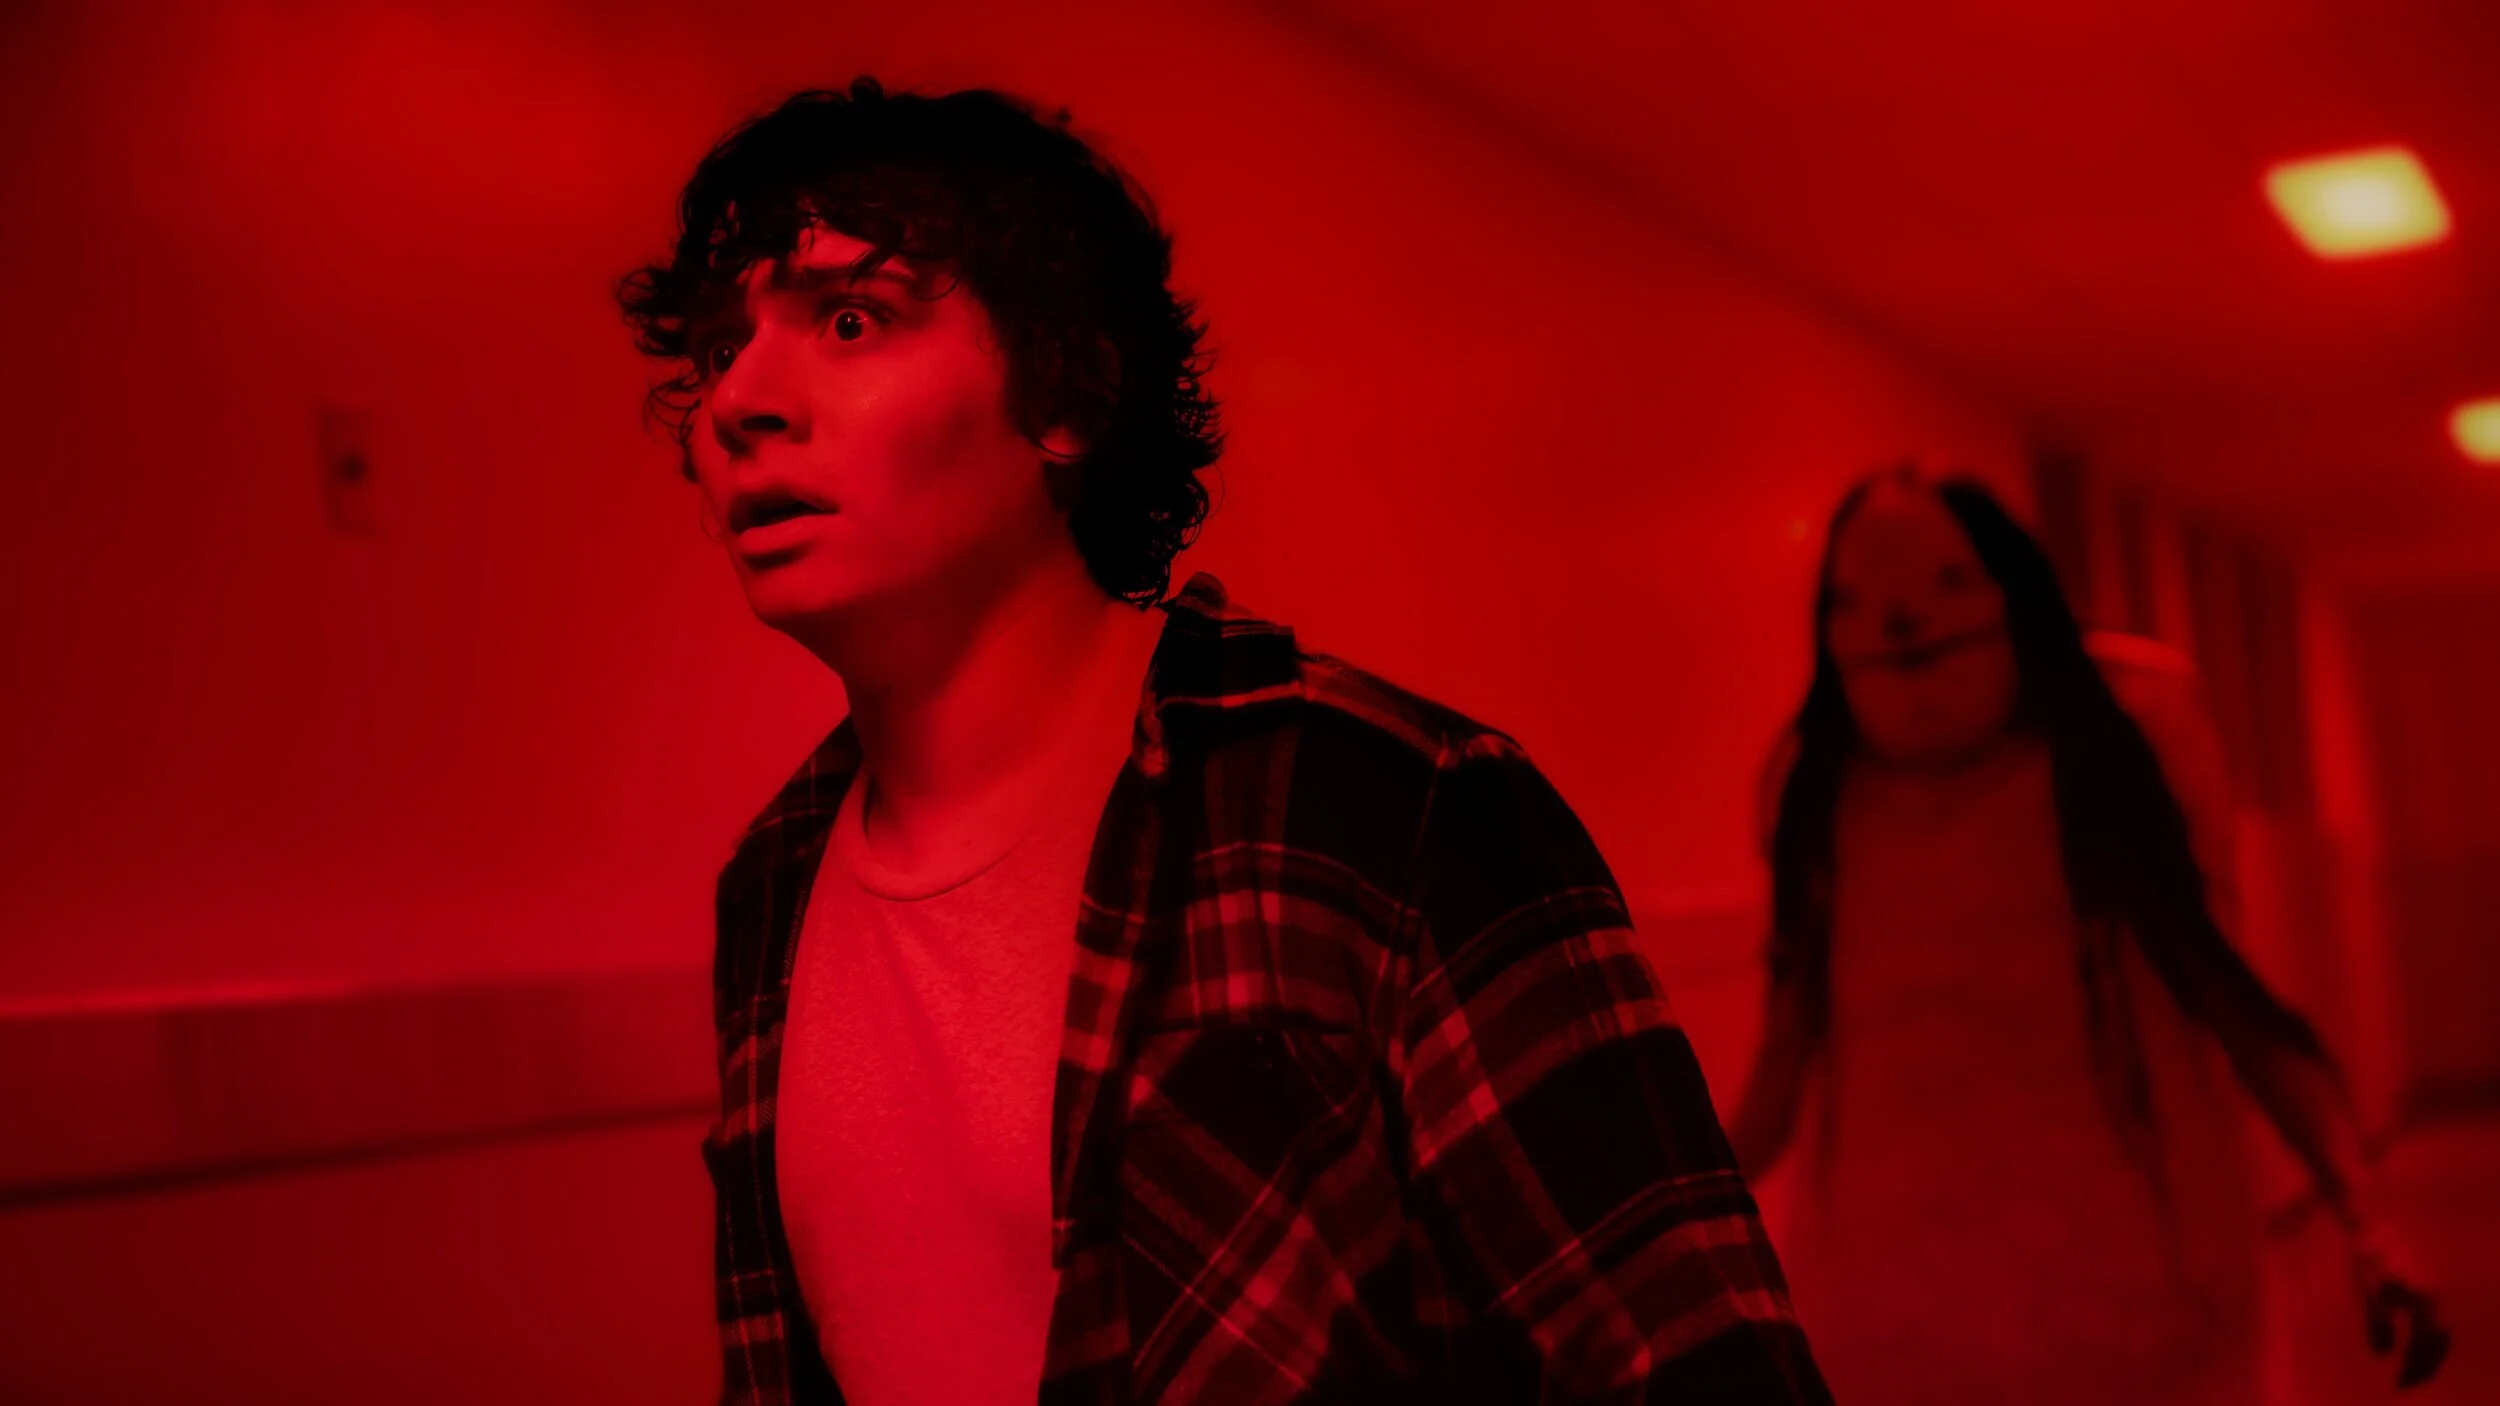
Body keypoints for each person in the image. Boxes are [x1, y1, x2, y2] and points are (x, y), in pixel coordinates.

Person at [617, 78, 1827, 1405]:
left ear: (1067, 391)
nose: (739, 401)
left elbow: (1700, 1360)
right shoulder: (773, 884)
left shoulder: (1391, 809)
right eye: (720, 347)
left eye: (852, 319)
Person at [1726, 466, 2450, 1404]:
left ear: (2009, 599)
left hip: (2135, 1303)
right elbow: (1783, 1062)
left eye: (1949, 583)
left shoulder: (2109, 764)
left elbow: (2240, 1012)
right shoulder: (1820, 804)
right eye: (1856, 604)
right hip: (1894, 1315)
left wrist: (2367, 1221)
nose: (1901, 628)